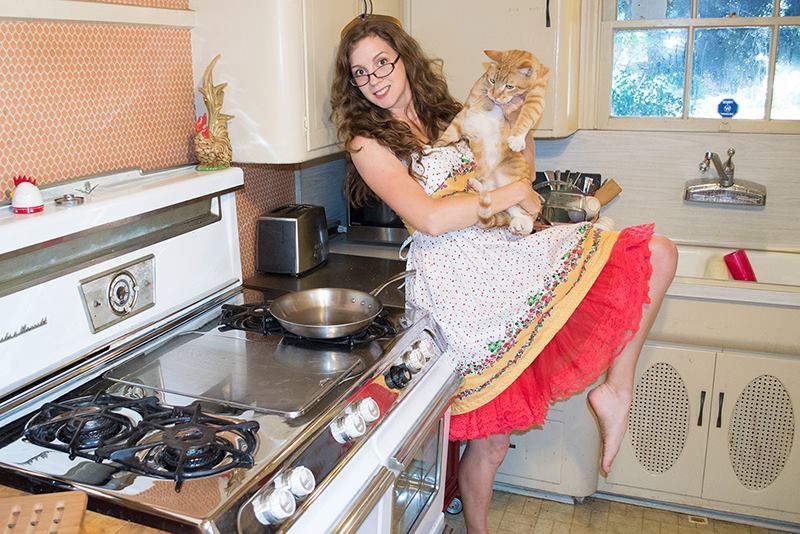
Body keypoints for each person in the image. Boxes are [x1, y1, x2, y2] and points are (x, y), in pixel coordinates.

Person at [331, 16, 678, 534]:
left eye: (383, 62)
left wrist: (521, 128)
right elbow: (428, 217)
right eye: (360, 73)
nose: (374, 79)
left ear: (404, 58)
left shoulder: (449, 114)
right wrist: (509, 195)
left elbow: (517, 174)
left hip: (502, 254)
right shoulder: (368, 142)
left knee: (658, 252)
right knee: (491, 441)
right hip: (457, 282)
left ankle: (615, 391)